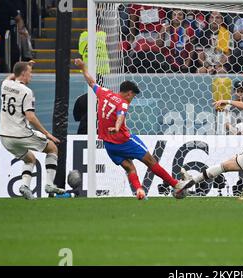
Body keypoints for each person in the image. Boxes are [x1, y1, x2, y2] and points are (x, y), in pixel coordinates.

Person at [74, 58, 192, 200]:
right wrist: (117, 127)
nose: (132, 99)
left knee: (130, 168)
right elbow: (120, 116)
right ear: (129, 93)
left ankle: (139, 190)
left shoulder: (104, 93)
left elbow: (91, 82)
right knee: (151, 161)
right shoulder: (123, 103)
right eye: (133, 96)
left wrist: (83, 68)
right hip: (124, 141)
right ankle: (176, 185)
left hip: (109, 145)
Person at [0, 61, 65, 199]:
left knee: (30, 159)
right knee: (52, 148)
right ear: (23, 73)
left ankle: (24, 186)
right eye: (29, 72)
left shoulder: (5, 84)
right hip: (19, 134)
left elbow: (12, 76)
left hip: (4, 137)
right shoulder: (27, 92)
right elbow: (30, 117)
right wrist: (47, 134)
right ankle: (49, 184)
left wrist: (23, 66)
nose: (31, 76)